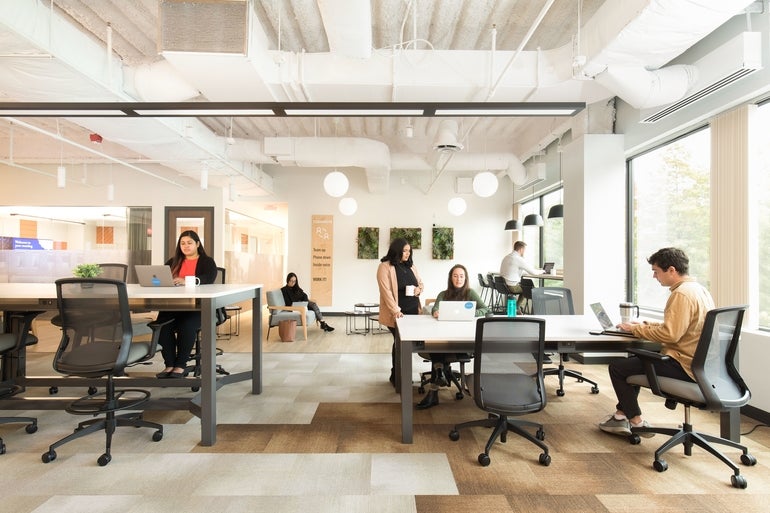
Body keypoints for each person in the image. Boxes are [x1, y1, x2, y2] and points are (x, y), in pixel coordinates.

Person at [598, 247, 715, 436]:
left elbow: (671, 335)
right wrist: (646, 324)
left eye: (656, 271)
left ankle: (636, 422)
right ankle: (620, 416)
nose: (654, 276)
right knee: (634, 364)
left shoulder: (681, 294)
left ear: (671, 270)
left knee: (618, 368)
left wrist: (635, 329)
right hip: (700, 365)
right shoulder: (698, 290)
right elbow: (680, 326)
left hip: (683, 365)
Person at [417, 263, 489, 410]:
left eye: (461, 276)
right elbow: (435, 309)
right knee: (435, 345)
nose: (458, 279)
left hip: (465, 341)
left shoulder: (470, 293)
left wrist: (470, 313)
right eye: (455, 276)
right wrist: (435, 312)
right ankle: (438, 374)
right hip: (445, 338)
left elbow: (485, 309)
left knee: (438, 351)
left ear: (465, 278)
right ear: (451, 278)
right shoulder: (443, 294)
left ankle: (436, 382)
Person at [155, 230, 218, 379]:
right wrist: (157, 282)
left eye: (189, 243)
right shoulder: (173, 261)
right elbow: (160, 279)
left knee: (186, 326)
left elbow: (208, 278)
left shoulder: (207, 262)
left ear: (197, 244)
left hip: (197, 307)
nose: (186, 246)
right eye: (182, 243)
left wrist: (186, 280)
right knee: (162, 326)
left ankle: (180, 365)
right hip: (173, 306)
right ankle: (169, 364)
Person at [377, 238, 424, 387]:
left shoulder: (411, 266)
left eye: (409, 251)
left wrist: (418, 290)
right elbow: (386, 292)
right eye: (405, 251)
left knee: (405, 344)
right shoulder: (385, 267)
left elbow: (421, 283)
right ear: (396, 250)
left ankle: (398, 374)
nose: (407, 254)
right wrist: (396, 310)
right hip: (397, 314)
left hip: (413, 312)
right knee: (400, 342)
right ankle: (398, 376)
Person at [499, 240, 543, 312]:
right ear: (521, 249)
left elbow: (512, 271)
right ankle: (517, 308)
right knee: (527, 290)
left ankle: (517, 308)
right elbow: (534, 272)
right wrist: (543, 271)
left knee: (524, 288)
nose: (524, 252)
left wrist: (524, 273)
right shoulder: (518, 259)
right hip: (512, 287)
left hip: (503, 285)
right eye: (524, 250)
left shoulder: (507, 257)